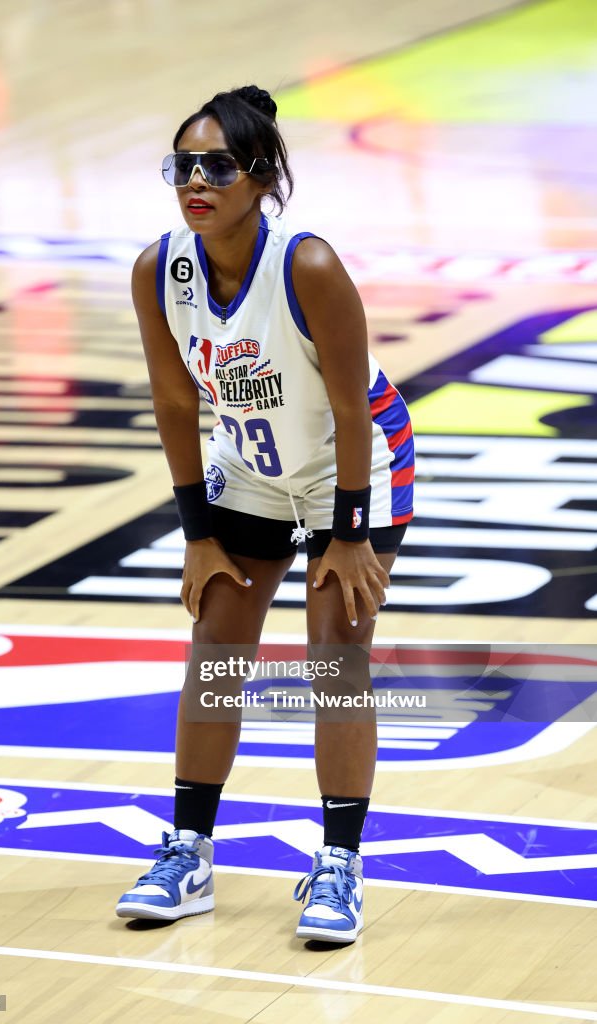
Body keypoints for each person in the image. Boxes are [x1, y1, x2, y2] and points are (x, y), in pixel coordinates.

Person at [115, 85, 414, 944]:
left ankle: (339, 865)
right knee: (215, 645)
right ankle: (190, 852)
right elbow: (175, 405)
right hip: (248, 470)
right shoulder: (158, 268)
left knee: (334, 654)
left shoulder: (307, 266)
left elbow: (355, 409)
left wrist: (351, 534)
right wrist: (197, 534)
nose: (194, 182)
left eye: (214, 166)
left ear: (259, 177)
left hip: (351, 470)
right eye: (181, 166)